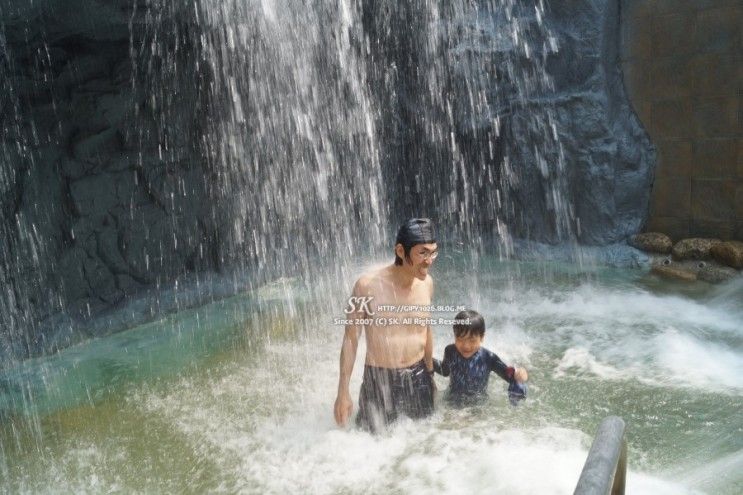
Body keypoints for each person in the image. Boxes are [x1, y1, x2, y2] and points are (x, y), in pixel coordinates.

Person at [334, 218, 439, 432]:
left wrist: (430, 375)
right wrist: (343, 392)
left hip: (418, 377)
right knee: (370, 446)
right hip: (380, 381)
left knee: (423, 443)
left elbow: (425, 331)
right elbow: (351, 339)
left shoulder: (426, 284)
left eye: (433, 252)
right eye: (422, 253)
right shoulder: (366, 286)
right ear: (401, 251)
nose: (429, 260)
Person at [433, 309, 528, 406]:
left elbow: (507, 374)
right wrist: (427, 359)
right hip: (452, 402)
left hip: (477, 406)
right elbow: (444, 371)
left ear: (482, 337)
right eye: (460, 339)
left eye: (472, 340)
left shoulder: (488, 357)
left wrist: (520, 374)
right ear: (454, 335)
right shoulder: (450, 351)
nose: (466, 346)